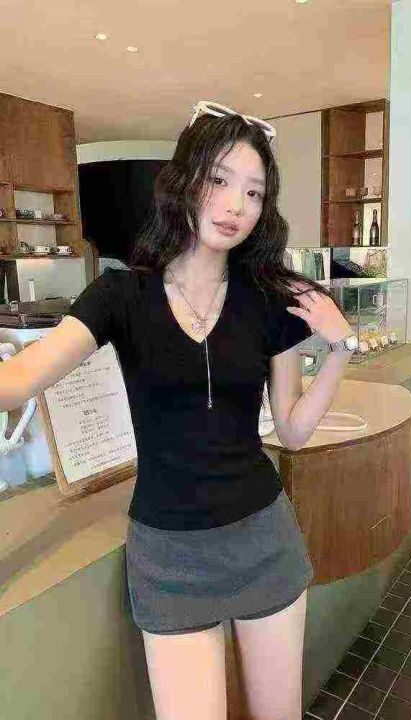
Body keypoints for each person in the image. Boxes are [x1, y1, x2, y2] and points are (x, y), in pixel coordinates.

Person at [0, 100, 355, 720]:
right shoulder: (121, 295)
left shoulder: (270, 301)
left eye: (254, 192)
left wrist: (339, 349)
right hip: (169, 556)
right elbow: (18, 381)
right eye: (219, 179)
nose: (235, 204)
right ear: (186, 180)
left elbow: (293, 431)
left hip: (264, 539)